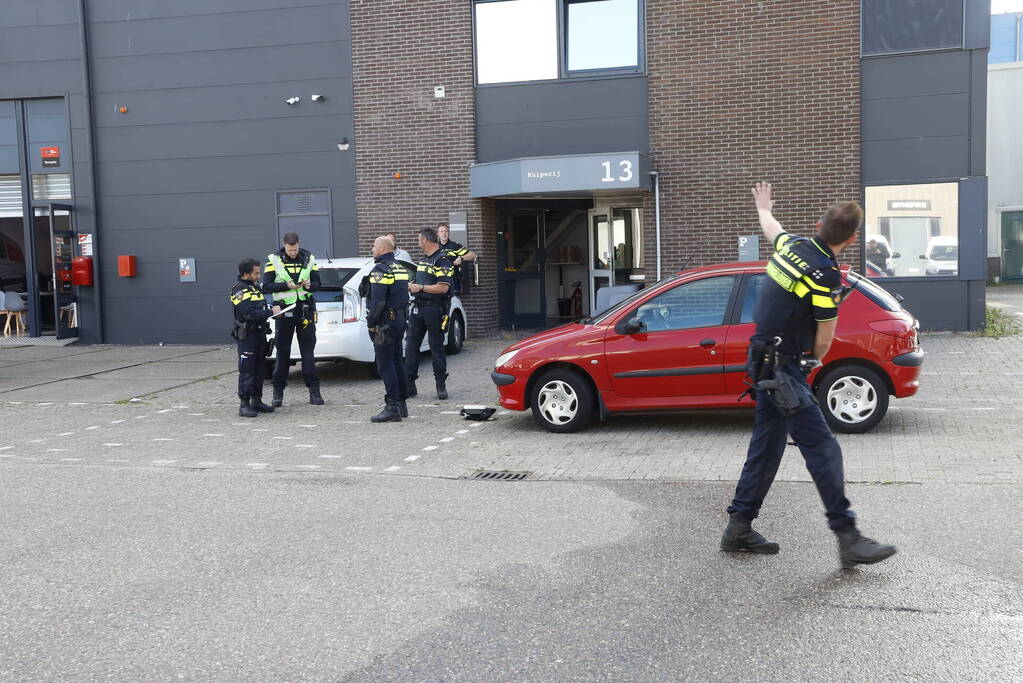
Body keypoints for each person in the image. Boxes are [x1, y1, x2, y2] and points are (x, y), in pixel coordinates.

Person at [722, 182, 897, 570]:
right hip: (784, 372)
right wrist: (811, 362)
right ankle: (848, 536)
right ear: (851, 239)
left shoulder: (793, 246)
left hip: (763, 367)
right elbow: (825, 338)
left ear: (819, 225)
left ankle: (738, 527)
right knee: (823, 449)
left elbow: (772, 227)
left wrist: (763, 206)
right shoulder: (825, 275)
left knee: (765, 449)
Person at [263, 232, 324, 406]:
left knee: (308, 354)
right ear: (284, 245)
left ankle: (314, 392)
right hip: (284, 311)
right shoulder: (273, 260)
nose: (293, 253)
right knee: (282, 353)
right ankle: (278, 393)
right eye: (290, 250)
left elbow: (318, 283)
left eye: (295, 249)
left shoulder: (309, 258)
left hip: (305, 310)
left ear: (299, 244)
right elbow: (266, 286)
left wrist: (310, 285)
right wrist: (285, 285)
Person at [405, 227, 454, 400]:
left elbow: (443, 287)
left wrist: (421, 287)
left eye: (419, 239)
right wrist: (414, 284)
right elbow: (421, 282)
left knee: (436, 348)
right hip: (418, 308)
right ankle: (409, 384)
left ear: (425, 240)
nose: (418, 243)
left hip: (434, 309)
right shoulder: (424, 260)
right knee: (411, 346)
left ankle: (440, 385)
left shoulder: (442, 260)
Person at [366, 236, 411, 422]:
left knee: (385, 365)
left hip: (384, 323)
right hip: (399, 321)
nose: (372, 249)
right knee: (397, 361)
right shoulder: (400, 268)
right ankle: (401, 404)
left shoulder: (380, 270)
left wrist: (371, 323)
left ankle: (392, 406)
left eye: (374, 246)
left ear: (383, 249)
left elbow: (378, 302)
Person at [230, 258, 280, 418]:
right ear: (246, 274)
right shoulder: (239, 290)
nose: (259, 275)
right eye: (256, 273)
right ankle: (244, 405)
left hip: (259, 335)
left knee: (259, 370)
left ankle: (256, 401)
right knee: (247, 371)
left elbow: (261, 308)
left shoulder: (255, 288)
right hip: (247, 337)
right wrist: (271, 313)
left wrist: (273, 308)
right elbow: (249, 314)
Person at [436, 223, 475, 295]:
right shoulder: (434, 247)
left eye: (446, 231)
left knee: (454, 304)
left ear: (448, 233)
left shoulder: (455, 246)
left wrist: (461, 258)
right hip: (438, 283)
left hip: (453, 282)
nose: (444, 233)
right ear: (438, 233)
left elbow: (472, 255)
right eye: (441, 231)